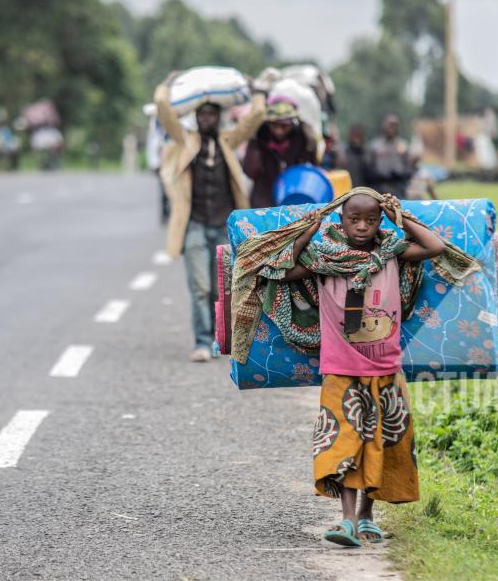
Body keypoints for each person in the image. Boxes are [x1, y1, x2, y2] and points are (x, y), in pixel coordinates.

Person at [279, 190, 445, 546]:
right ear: (340, 221)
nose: (362, 226)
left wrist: (400, 216)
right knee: (345, 442)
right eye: (354, 219)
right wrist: (308, 231)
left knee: (379, 442)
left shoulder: (392, 255)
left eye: (371, 220)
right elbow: (285, 267)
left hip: (385, 368)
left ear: (380, 221)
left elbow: (435, 247)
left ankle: (367, 517)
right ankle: (347, 521)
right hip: (341, 367)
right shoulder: (325, 260)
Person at [155, 74, 266, 362]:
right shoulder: (185, 141)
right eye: (201, 114)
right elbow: (164, 112)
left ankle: (222, 341)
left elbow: (256, 116)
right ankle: (202, 342)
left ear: (218, 117)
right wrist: (165, 87)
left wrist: (255, 91)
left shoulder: (229, 141)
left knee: (224, 290)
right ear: (196, 118)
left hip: (223, 226)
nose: (206, 118)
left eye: (211, 114)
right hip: (193, 225)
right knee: (200, 287)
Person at [243, 97, 317, 208]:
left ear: (293, 124)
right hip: (264, 201)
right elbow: (250, 172)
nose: (279, 131)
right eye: (274, 125)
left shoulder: (301, 139)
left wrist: (310, 141)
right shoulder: (259, 139)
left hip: (294, 200)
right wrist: (254, 142)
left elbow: (311, 167)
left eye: (284, 126)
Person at [365, 114, 415, 196]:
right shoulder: (375, 145)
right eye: (390, 125)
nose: (392, 128)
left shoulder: (403, 145)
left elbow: (408, 167)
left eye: (395, 125)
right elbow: (368, 167)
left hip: (398, 189)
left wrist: (401, 174)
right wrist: (379, 175)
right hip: (379, 189)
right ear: (384, 125)